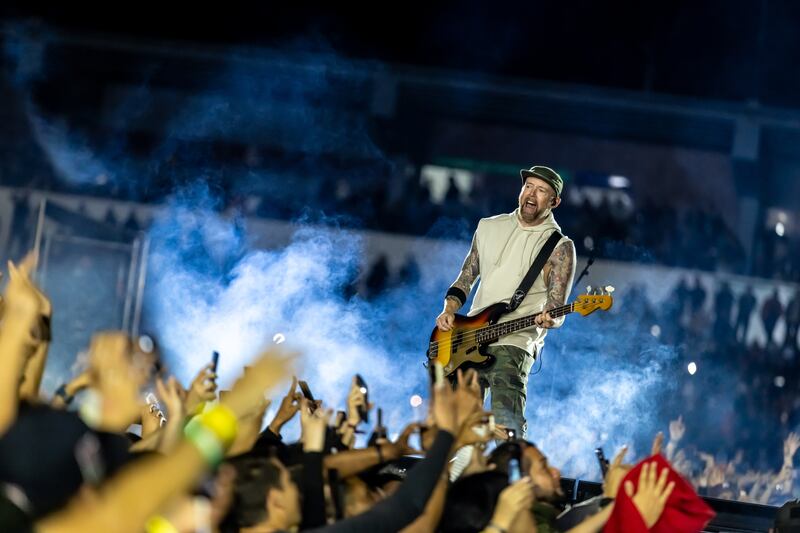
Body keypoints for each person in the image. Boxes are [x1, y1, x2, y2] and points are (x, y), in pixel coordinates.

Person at [435, 166, 576, 438]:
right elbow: (467, 275)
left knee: (506, 427)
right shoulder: (488, 226)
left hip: (515, 342)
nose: (532, 194)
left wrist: (552, 317)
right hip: (469, 339)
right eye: (528, 186)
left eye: (542, 190)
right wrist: (449, 310)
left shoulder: (559, 246)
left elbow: (556, 306)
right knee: (455, 429)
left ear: (554, 202)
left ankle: (508, 473)